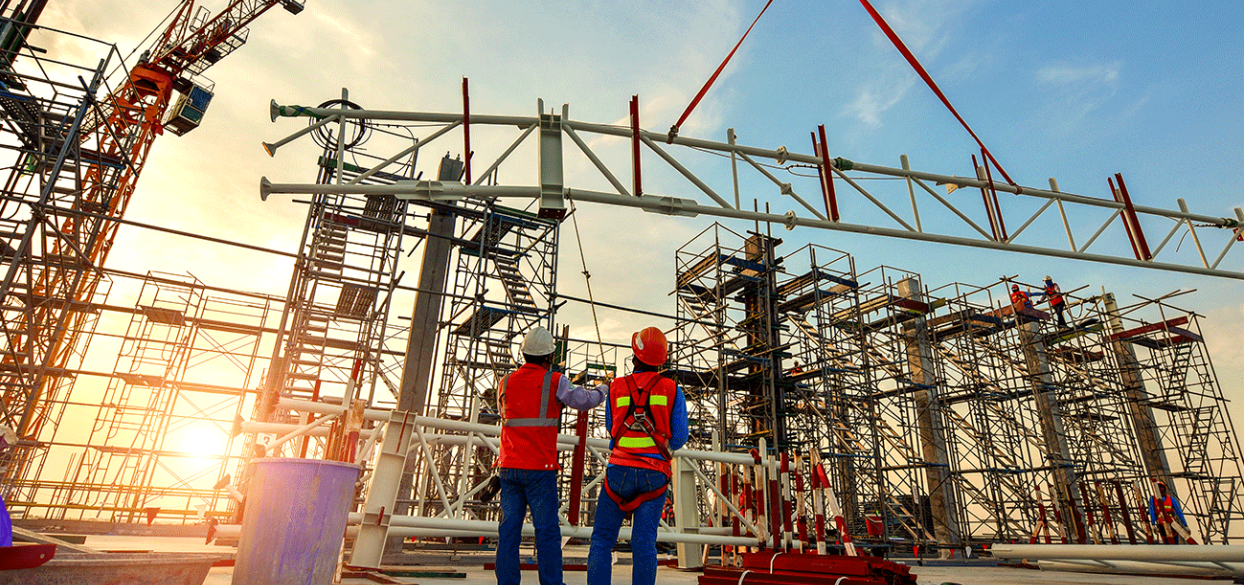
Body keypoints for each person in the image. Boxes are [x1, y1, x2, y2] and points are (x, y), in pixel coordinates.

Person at [495, 326, 608, 585]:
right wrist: (604, 389)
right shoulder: (554, 380)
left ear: (523, 353)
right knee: (546, 531)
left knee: (508, 531)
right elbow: (584, 401)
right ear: (550, 356)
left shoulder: (506, 381)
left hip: (508, 467)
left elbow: (505, 412)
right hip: (539, 467)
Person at [587, 327, 688, 585]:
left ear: (635, 354)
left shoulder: (616, 387)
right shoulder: (672, 389)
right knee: (644, 544)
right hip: (654, 475)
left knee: (601, 541)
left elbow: (613, 430)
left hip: (618, 473)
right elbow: (678, 438)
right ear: (662, 360)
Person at [1148, 480, 1189, 544]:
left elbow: (1179, 512)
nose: (1160, 489)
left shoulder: (1170, 498)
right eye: (1159, 487)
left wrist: (1185, 524)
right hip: (1162, 525)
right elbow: (1152, 512)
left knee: (1175, 544)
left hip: (1173, 524)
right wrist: (1153, 524)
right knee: (1168, 544)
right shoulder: (1153, 499)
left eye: (1161, 487)